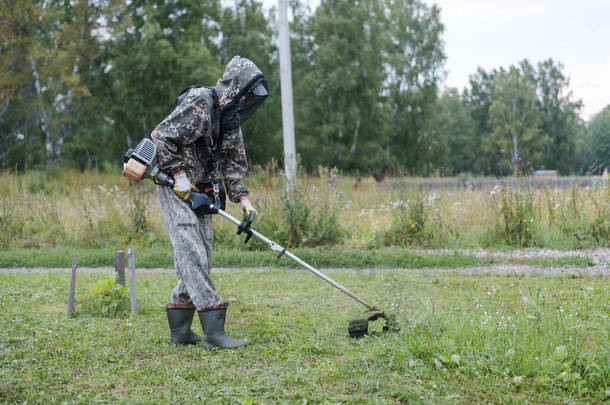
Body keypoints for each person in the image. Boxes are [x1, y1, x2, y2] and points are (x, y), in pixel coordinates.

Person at [151, 56, 268, 349]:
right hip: (175, 186)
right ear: (235, 87)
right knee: (192, 254)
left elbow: (233, 163)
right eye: (248, 93)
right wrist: (178, 175)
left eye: (253, 96)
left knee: (203, 254)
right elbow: (162, 136)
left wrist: (243, 199)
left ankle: (180, 332)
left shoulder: (231, 118)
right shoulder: (200, 102)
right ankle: (214, 332)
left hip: (201, 189)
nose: (249, 99)